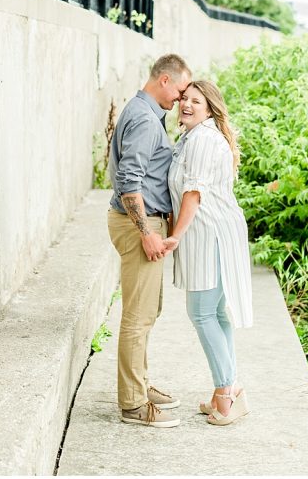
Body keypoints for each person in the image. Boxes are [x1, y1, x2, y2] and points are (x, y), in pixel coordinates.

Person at [107, 53, 192, 428]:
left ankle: (139, 386)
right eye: (180, 89)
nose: (181, 99)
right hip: (138, 225)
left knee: (148, 312)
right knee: (137, 318)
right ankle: (132, 404)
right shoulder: (144, 118)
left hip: (144, 224)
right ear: (164, 80)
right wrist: (147, 233)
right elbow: (129, 180)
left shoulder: (146, 112)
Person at [162, 80, 253, 426]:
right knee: (216, 313)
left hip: (208, 234)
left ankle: (226, 394)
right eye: (184, 98)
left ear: (209, 108)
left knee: (202, 313)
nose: (186, 104)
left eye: (195, 101)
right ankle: (227, 392)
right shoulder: (196, 135)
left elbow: (193, 193)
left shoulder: (202, 139)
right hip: (214, 232)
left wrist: (174, 236)